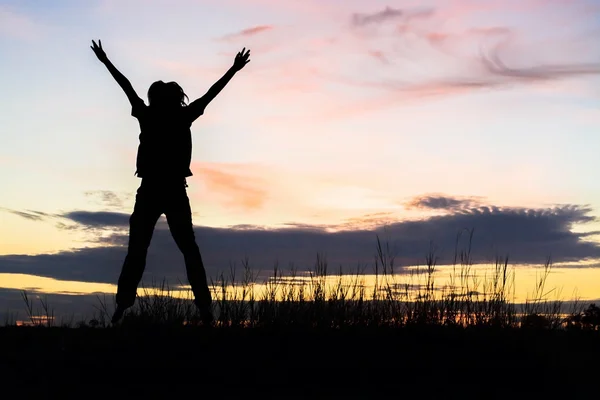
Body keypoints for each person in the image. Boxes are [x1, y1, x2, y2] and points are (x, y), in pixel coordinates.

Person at [90, 39, 251, 324]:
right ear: (174, 98)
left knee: (142, 251)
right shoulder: (178, 115)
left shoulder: (151, 115)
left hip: (156, 189)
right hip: (168, 190)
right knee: (184, 250)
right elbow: (210, 93)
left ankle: (127, 307)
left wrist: (105, 61)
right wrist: (234, 69)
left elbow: (126, 86)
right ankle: (203, 311)